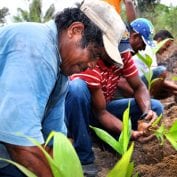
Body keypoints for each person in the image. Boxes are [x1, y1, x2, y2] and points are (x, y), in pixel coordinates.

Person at [0, 0, 127, 176]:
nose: (92, 65)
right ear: (75, 31)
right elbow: (21, 144)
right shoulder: (37, 50)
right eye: (94, 54)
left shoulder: (61, 74)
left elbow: (55, 141)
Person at [65, 23, 163, 177]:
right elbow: (101, 113)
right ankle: (84, 156)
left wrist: (146, 113)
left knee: (156, 107)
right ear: (102, 45)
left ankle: (104, 139)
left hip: (103, 107)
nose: (119, 57)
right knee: (76, 88)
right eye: (114, 52)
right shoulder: (90, 60)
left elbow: (139, 87)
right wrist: (130, 132)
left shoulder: (122, 55)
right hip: (86, 111)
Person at [118, 19, 177, 100]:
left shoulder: (130, 50)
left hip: (133, 81)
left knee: (166, 90)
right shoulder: (149, 50)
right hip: (131, 84)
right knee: (161, 71)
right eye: (166, 46)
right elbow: (155, 78)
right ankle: (148, 102)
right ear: (159, 41)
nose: (166, 49)